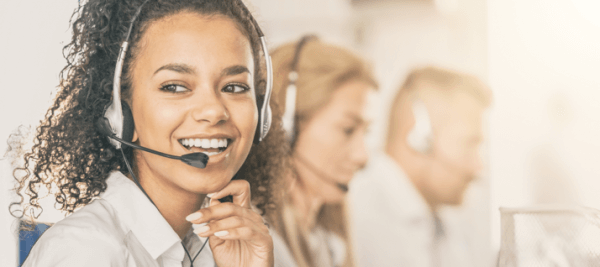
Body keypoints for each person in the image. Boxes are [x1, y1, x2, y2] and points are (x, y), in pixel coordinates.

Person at [11, 0, 289, 266]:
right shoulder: (88, 251)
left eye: (234, 87)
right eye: (175, 87)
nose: (214, 111)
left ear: (261, 112)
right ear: (120, 115)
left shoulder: (208, 247)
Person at [349, 66, 492, 267]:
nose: (478, 167)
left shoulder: (439, 213)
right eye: (468, 144)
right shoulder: (356, 216)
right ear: (419, 138)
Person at [267, 36, 378, 267]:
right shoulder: (257, 248)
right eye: (347, 130)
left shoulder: (325, 243)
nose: (362, 156)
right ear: (286, 130)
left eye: (365, 132)